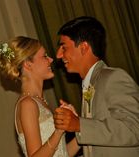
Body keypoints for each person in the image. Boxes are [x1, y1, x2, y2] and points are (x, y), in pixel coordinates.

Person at [54, 16, 139, 157]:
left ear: (84, 47)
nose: (58, 55)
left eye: (64, 47)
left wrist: (79, 125)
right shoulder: (90, 83)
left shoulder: (113, 78)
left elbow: (134, 128)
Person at [0, 36, 80, 157]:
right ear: (28, 64)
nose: (51, 60)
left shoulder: (39, 101)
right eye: (45, 56)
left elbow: (61, 153)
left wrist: (80, 130)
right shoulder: (27, 104)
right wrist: (58, 132)